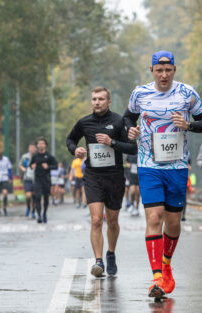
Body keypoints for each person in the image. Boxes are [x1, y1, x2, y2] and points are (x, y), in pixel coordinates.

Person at [124, 50, 202, 299]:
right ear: (151, 70)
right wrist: (130, 130)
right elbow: (127, 118)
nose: (164, 74)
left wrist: (189, 125)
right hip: (148, 163)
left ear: (174, 70)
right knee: (154, 216)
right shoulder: (139, 93)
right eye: (159, 70)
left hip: (177, 166)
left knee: (173, 223)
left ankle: (166, 264)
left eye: (168, 70)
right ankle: (156, 278)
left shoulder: (187, 93)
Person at [66, 86, 137, 277]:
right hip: (93, 176)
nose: (96, 102)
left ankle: (111, 253)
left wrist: (111, 142)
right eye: (94, 99)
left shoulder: (118, 121)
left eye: (101, 99)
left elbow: (132, 148)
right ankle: (99, 262)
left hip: (114, 176)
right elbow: (70, 139)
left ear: (109, 101)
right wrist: (75, 150)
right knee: (97, 220)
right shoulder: (84, 122)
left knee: (112, 220)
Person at [30, 137, 57, 223]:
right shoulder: (35, 156)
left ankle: (44, 213)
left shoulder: (49, 156)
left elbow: (55, 166)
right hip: (37, 179)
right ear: (37, 145)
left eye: (42, 143)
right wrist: (32, 166)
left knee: (46, 197)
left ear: (45, 145)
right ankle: (39, 216)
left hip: (46, 179)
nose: (41, 145)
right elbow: (30, 165)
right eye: (39, 143)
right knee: (37, 197)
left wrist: (48, 167)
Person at [19, 143, 36, 218]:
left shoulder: (37, 156)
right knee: (28, 195)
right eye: (30, 148)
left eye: (33, 148)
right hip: (27, 178)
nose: (32, 149)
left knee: (35, 196)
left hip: (36, 179)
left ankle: (33, 211)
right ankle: (28, 207)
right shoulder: (25, 157)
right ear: (29, 149)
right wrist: (23, 168)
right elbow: (20, 164)